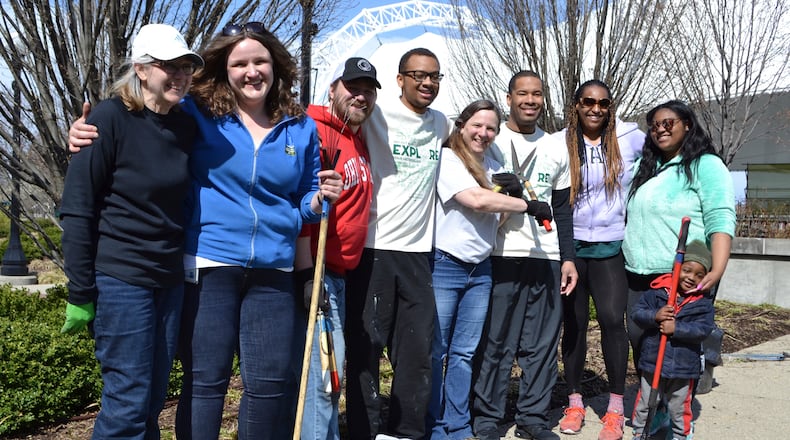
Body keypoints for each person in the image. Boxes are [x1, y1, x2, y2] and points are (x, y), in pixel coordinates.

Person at [66, 22, 343, 440]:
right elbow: (136, 121)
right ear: (224, 69)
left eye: (261, 61)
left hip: (268, 267)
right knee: (192, 386)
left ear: (276, 66)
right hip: (206, 262)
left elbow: (303, 196)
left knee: (264, 387)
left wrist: (318, 200)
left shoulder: (298, 125)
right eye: (240, 63)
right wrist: (82, 131)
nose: (252, 71)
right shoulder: (198, 110)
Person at [59, 23, 203, 439]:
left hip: (168, 279)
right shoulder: (108, 118)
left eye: (186, 67)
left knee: (153, 400)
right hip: (121, 279)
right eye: (169, 66)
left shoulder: (184, 124)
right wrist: (80, 291)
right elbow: (78, 208)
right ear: (141, 69)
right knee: (127, 403)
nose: (180, 75)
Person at [344, 47, 452, 440]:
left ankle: (405, 433)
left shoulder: (441, 123)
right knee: (366, 350)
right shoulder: (377, 114)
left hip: (418, 255)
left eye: (435, 76)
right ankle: (362, 432)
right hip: (374, 250)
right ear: (400, 79)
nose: (427, 83)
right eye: (418, 75)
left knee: (416, 355)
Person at [427, 99, 550, 440]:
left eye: (491, 128)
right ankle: (434, 426)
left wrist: (508, 194)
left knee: (464, 354)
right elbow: (477, 201)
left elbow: (496, 216)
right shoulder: (449, 158)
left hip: (479, 270)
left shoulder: (494, 163)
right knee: (438, 353)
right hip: (445, 265)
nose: (483, 133)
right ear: (462, 125)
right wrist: (528, 204)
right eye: (477, 125)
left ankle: (458, 425)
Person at [471, 71, 577, 440]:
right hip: (502, 254)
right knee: (496, 341)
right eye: (522, 94)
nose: (529, 101)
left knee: (542, 345)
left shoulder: (557, 145)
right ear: (509, 97)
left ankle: (533, 417)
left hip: (546, 257)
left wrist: (568, 258)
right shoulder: (490, 140)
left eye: (536, 94)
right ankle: (487, 418)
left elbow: (563, 208)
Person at [551, 80, 644, 440]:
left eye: (603, 103)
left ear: (611, 107)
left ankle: (616, 408)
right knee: (573, 325)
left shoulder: (629, 137)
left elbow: (672, 149)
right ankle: (574, 403)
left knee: (611, 320)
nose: (596, 108)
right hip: (572, 250)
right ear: (576, 105)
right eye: (588, 101)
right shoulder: (559, 142)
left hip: (610, 247)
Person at [296, 56, 379, 440]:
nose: (361, 96)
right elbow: (297, 198)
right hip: (317, 273)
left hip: (341, 274)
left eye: (368, 91)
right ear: (332, 90)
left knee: (332, 376)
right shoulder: (311, 129)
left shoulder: (357, 136)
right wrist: (306, 273)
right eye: (353, 88)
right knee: (323, 380)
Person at [623, 100, 735, 377]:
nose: (660, 130)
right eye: (654, 126)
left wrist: (717, 269)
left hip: (680, 273)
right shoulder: (644, 167)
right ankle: (651, 401)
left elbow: (720, 218)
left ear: (687, 125)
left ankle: (675, 410)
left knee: (676, 348)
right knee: (641, 339)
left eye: (668, 123)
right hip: (637, 272)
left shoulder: (705, 165)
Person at [630, 240, 716, 440]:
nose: (691, 278)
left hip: (683, 367)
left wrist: (676, 328)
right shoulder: (658, 293)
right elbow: (637, 313)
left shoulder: (702, 304)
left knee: (680, 406)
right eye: (687, 270)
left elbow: (703, 330)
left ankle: (680, 434)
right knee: (646, 401)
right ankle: (640, 431)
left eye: (699, 275)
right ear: (676, 268)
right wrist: (655, 316)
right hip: (653, 363)